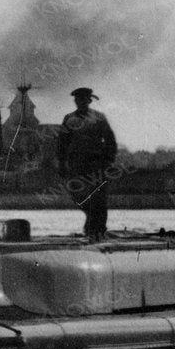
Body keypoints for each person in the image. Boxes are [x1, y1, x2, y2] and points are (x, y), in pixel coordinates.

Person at [56, 86, 118, 242]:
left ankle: (98, 230)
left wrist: (108, 160)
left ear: (89, 101)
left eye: (83, 100)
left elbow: (110, 140)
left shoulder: (99, 118)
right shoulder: (69, 119)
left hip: (96, 164)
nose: (80, 102)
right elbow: (62, 143)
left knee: (99, 197)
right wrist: (62, 163)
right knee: (78, 195)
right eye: (77, 100)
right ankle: (91, 222)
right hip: (77, 164)